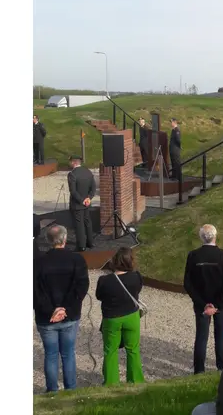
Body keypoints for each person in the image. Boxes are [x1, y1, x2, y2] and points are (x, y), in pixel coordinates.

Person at [33, 225, 89, 393]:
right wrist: (65, 310)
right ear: (65, 239)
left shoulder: (38, 263)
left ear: (49, 241)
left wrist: (51, 310)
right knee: (68, 353)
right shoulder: (77, 260)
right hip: (69, 316)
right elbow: (81, 287)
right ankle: (70, 389)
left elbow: (34, 292)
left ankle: (52, 390)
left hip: (46, 317)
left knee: (51, 354)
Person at [183, 224, 223, 374]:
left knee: (201, 336)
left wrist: (203, 303)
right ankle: (222, 368)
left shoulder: (193, 256)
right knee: (221, 335)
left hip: (202, 304)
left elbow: (188, 283)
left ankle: (199, 370)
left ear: (201, 237)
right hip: (222, 304)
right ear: (215, 236)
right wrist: (218, 303)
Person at [96, 247, 145, 386]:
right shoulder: (136, 277)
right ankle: (135, 380)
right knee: (133, 349)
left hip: (112, 318)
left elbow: (99, 296)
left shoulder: (104, 280)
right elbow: (138, 290)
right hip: (131, 316)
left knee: (110, 350)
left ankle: (111, 382)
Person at [67, 156, 96, 251]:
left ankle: (81, 245)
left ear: (73, 162)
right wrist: (88, 198)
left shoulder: (72, 174)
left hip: (77, 204)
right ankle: (90, 242)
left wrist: (81, 200)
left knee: (79, 225)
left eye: (70, 162)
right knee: (87, 222)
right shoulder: (88, 172)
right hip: (87, 203)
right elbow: (93, 188)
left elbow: (73, 191)